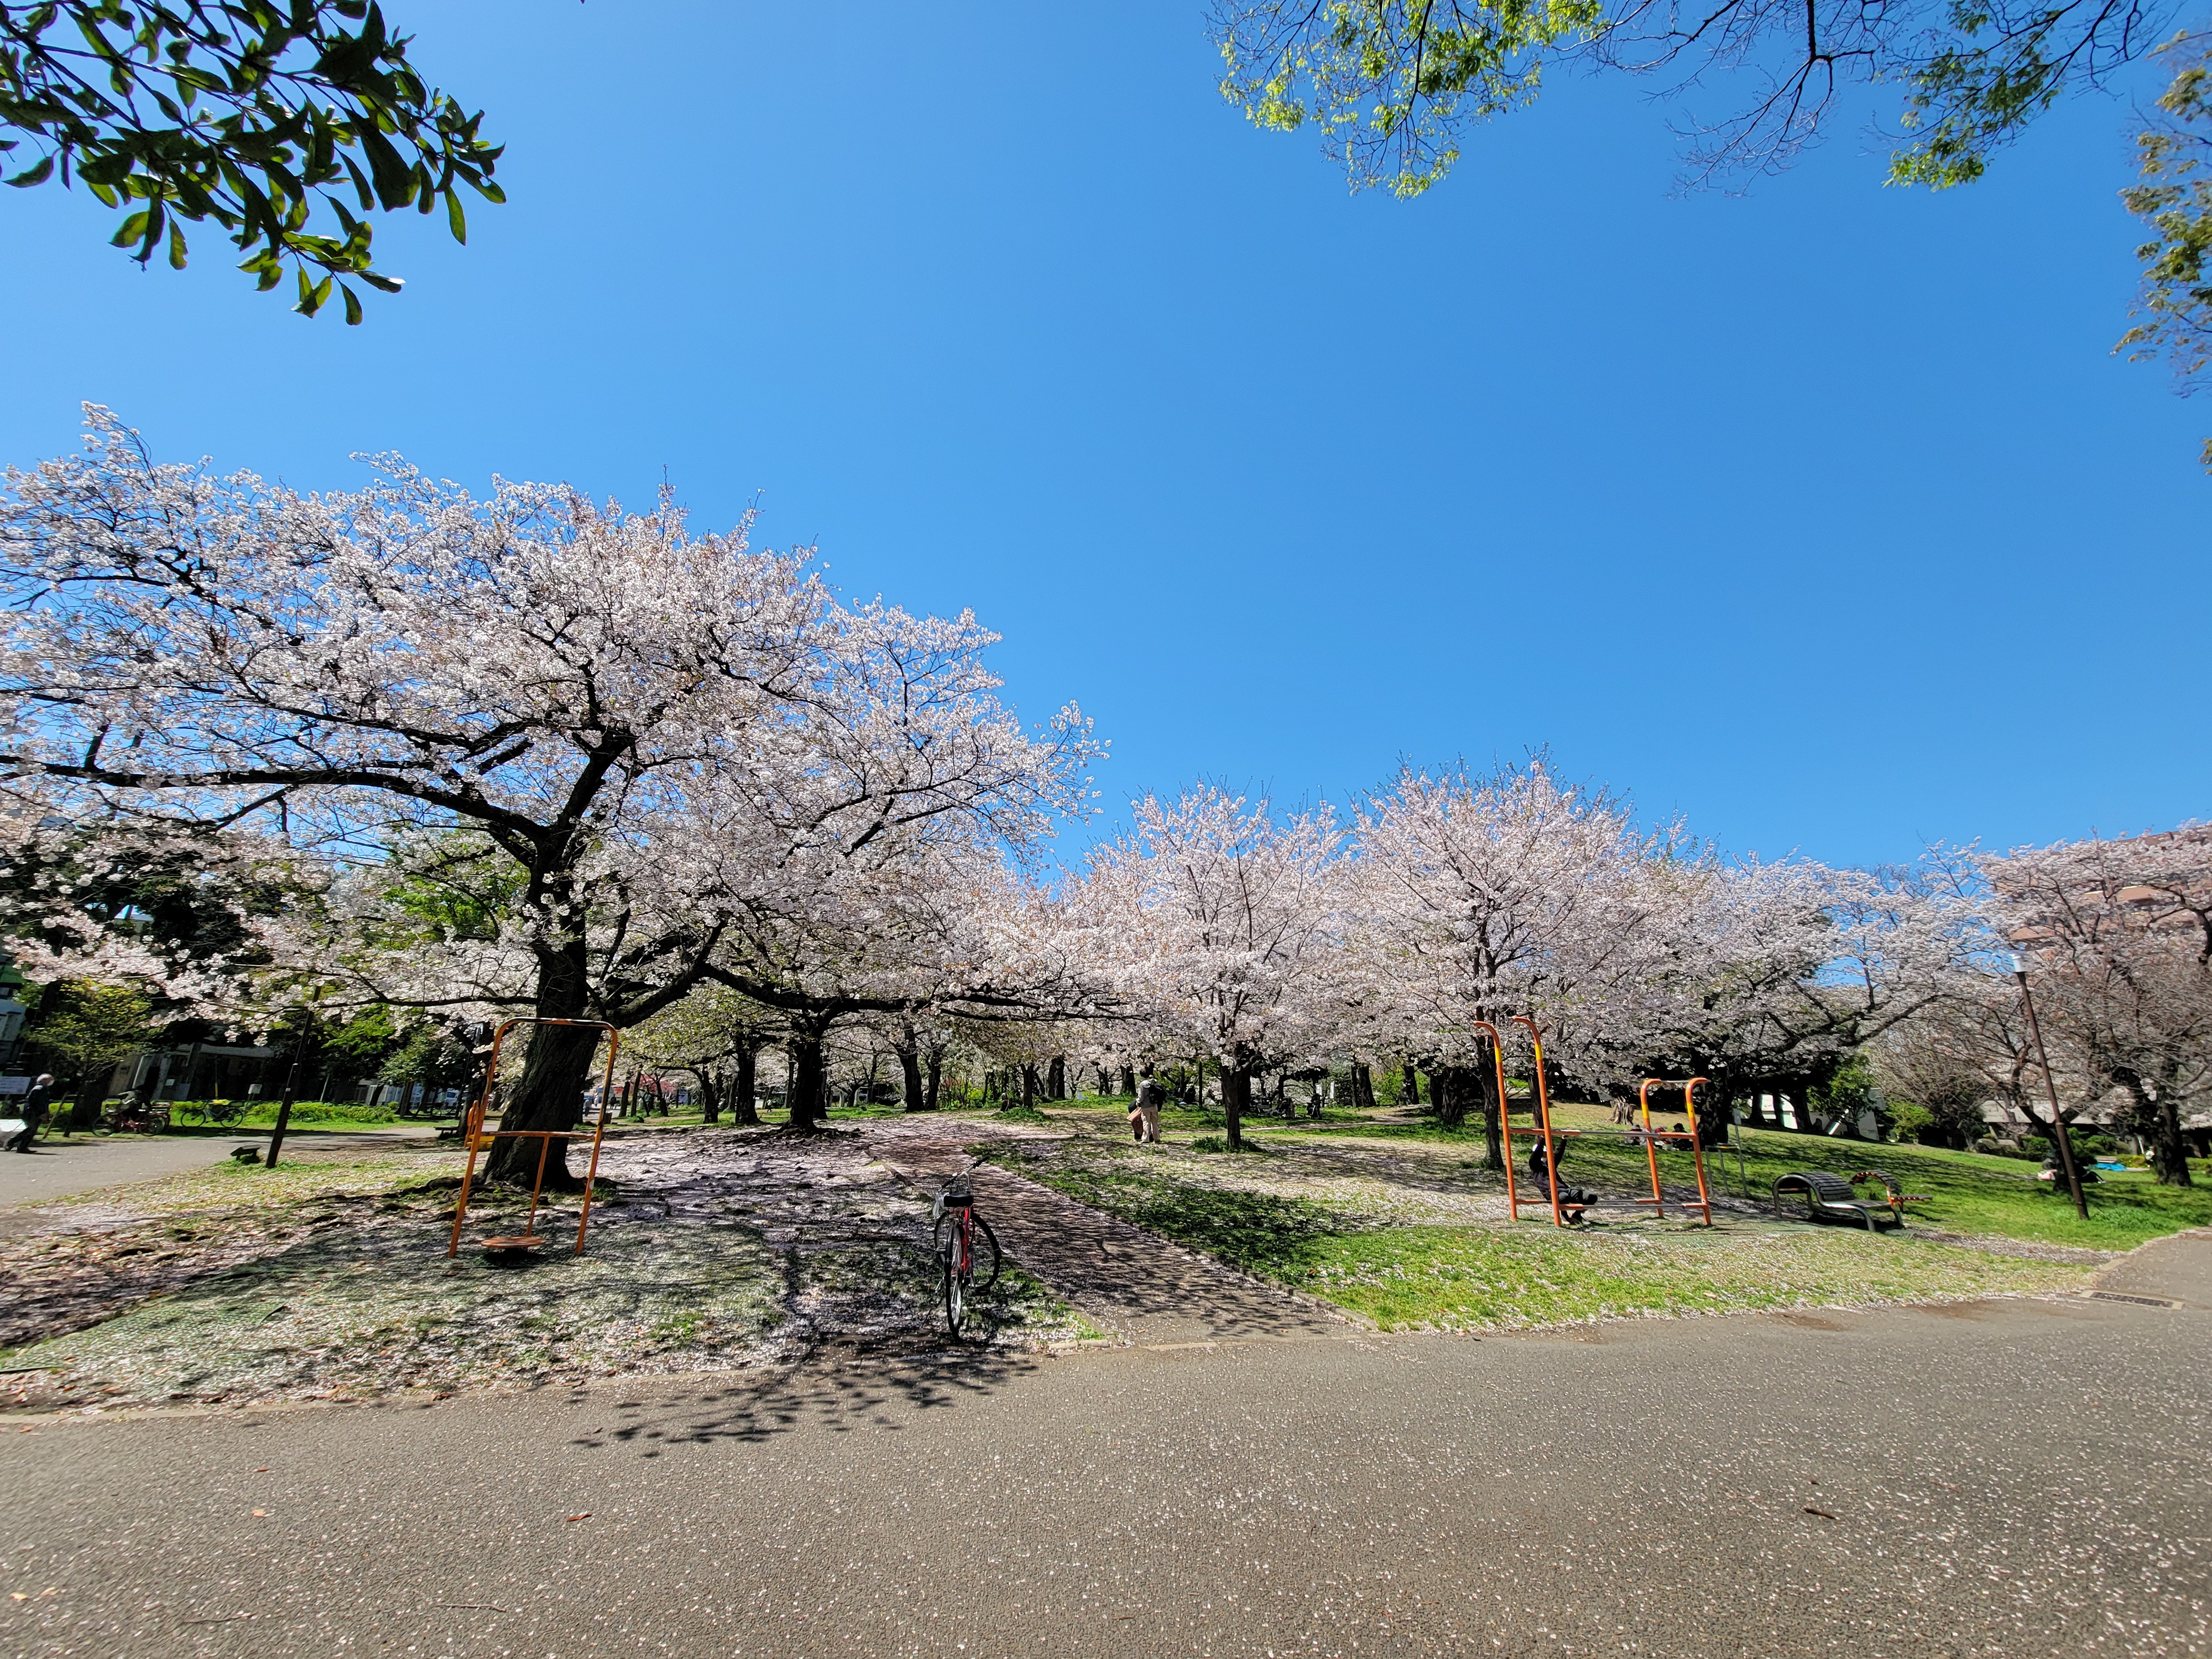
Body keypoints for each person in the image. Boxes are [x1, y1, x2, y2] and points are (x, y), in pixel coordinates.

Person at [9, 1074, 54, 1153]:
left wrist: (46, 1112)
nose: (51, 1081)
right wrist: (40, 1113)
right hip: (33, 1112)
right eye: (49, 1079)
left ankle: (22, 1147)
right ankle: (12, 1141)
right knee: (30, 1129)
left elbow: (44, 1103)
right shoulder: (39, 1088)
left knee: (32, 1131)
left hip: (36, 1112)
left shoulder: (42, 1089)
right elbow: (34, 1101)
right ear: (44, 1080)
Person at [1132, 1069, 1165, 1144]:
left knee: (1146, 1122)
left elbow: (1141, 1097)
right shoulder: (1154, 1082)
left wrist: (1138, 1102)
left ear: (1142, 1076)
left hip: (1146, 1106)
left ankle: (1145, 1139)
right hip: (1154, 1105)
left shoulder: (1143, 1084)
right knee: (1155, 1122)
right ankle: (1157, 1139)